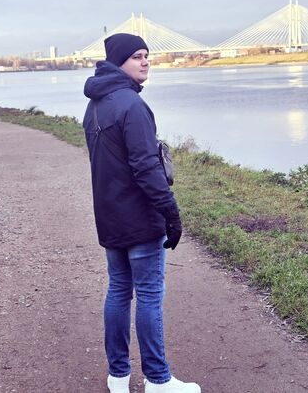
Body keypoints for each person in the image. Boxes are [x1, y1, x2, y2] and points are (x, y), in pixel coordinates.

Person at [83, 33, 201, 393]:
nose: (145, 61)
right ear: (119, 62)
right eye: (137, 56)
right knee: (148, 295)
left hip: (110, 216)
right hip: (139, 218)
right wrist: (171, 213)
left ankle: (118, 377)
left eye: (147, 55)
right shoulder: (133, 106)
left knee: (119, 291)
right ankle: (158, 380)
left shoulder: (95, 105)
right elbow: (147, 168)